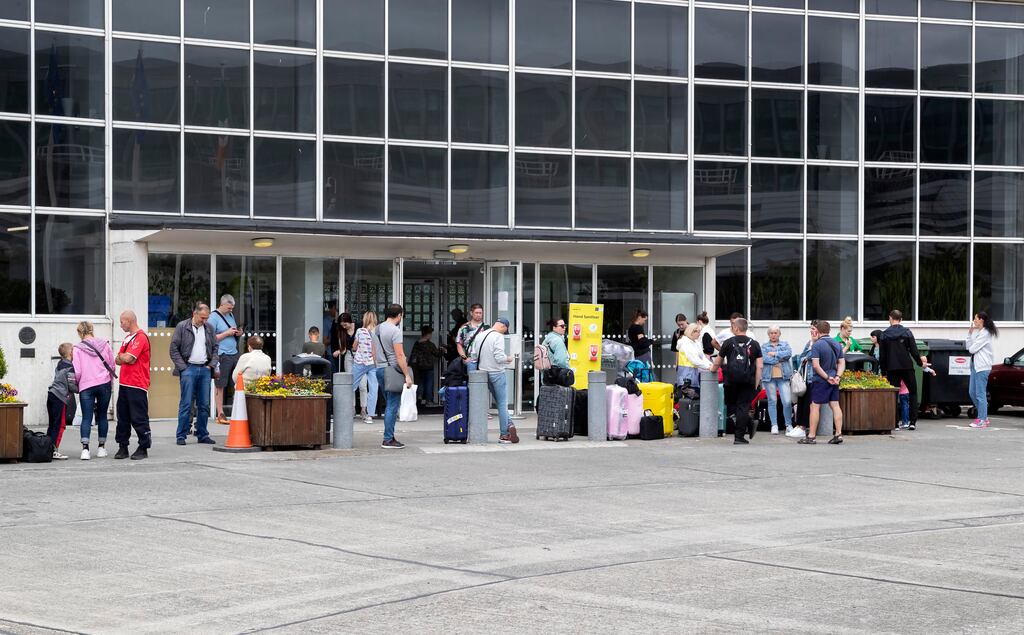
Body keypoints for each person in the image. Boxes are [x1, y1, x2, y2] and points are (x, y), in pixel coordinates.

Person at [169, 301, 219, 446]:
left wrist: (211, 365)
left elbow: (215, 348)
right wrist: (183, 368)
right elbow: (173, 349)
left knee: (204, 404)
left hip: (204, 369)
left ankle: (202, 434)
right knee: (186, 403)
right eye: (202, 317)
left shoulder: (209, 328)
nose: (205, 320)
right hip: (188, 368)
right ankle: (181, 435)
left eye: (206, 318)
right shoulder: (182, 326)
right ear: (194, 313)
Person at [711, 318, 762, 445]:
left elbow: (718, 360)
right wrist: (756, 383)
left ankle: (746, 425)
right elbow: (760, 366)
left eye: (733, 327)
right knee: (743, 407)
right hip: (747, 380)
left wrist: (712, 369)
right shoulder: (755, 344)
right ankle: (740, 435)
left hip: (731, 380)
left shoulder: (728, 343)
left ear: (737, 328)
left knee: (731, 406)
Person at [877, 310, 929, 431]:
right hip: (907, 366)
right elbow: (914, 351)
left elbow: (882, 356)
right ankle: (912, 422)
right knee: (913, 392)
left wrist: (884, 371)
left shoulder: (884, 335)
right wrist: (920, 363)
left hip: (892, 368)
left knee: (893, 395)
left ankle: (894, 423)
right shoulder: (907, 332)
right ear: (901, 319)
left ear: (890, 318)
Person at [72, 321, 116, 460]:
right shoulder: (105, 344)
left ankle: (85, 450)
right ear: (92, 330)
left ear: (80, 332)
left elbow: (77, 371)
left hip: (86, 385)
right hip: (104, 383)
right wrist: (110, 380)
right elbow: (112, 365)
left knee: (86, 417)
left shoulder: (77, 349)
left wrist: (79, 384)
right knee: (102, 416)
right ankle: (101, 448)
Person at [113, 310, 152, 460]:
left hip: (137, 384)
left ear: (129, 321)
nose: (121, 324)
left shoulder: (140, 338)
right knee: (123, 417)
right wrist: (124, 358)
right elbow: (118, 359)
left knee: (139, 417)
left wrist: (124, 358)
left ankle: (143, 446)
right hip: (124, 383)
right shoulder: (128, 338)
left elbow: (129, 358)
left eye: (122, 321)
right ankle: (123, 447)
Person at [473, 318, 518, 444]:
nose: (504, 333)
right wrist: (508, 358)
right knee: (502, 404)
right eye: (505, 330)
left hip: (483, 374)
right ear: (503, 327)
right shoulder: (498, 337)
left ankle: (510, 425)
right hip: (497, 373)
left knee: (499, 402)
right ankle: (505, 434)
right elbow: (499, 357)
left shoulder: (480, 335)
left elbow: (475, 355)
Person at [800, 320, 845, 445]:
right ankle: (838, 434)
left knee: (814, 406)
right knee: (835, 405)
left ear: (817, 331)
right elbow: (841, 362)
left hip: (820, 380)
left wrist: (826, 377)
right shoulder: (837, 344)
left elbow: (816, 365)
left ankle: (811, 436)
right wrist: (837, 376)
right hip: (834, 379)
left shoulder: (817, 345)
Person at [374, 304, 413, 449]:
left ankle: (389, 435)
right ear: (400, 315)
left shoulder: (376, 329)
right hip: (391, 371)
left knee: (389, 403)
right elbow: (400, 355)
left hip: (379, 369)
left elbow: (373, 352)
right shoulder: (395, 331)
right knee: (392, 405)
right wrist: (407, 375)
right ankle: (388, 439)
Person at [208, 294, 242, 425]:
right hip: (222, 355)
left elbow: (231, 331)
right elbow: (210, 339)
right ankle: (220, 413)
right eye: (228, 308)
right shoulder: (213, 317)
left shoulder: (230, 316)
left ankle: (237, 411)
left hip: (234, 353)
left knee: (236, 382)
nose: (231, 310)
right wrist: (227, 333)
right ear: (221, 304)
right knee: (220, 385)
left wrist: (238, 333)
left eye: (232, 308)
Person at [788, 320, 820, 439]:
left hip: (814, 378)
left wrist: (807, 356)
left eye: (814, 329)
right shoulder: (810, 342)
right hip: (805, 376)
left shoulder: (819, 343)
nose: (812, 331)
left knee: (808, 403)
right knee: (801, 400)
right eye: (811, 329)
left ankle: (803, 427)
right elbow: (802, 357)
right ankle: (798, 425)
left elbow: (811, 357)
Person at [761, 326, 794, 435]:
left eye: (775, 333)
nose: (773, 335)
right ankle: (774, 425)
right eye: (771, 333)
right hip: (769, 377)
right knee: (772, 401)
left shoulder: (785, 344)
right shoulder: (764, 346)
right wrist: (778, 359)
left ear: (779, 334)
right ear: (768, 334)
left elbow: (788, 354)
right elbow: (764, 358)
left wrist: (775, 354)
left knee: (787, 401)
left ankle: (788, 425)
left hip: (783, 377)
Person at [45, 342, 77, 460]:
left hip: (51, 394)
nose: (75, 352)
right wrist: (83, 389)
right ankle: (53, 450)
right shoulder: (69, 367)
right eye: (73, 350)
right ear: (70, 353)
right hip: (59, 397)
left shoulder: (60, 364)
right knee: (59, 425)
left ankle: (47, 449)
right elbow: (72, 386)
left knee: (52, 424)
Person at [967, 311, 998, 429]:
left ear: (981, 320)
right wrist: (969, 334)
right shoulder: (979, 333)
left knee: (980, 394)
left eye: (975, 318)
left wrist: (971, 344)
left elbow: (972, 349)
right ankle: (983, 416)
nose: (974, 321)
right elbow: (968, 347)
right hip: (975, 366)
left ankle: (982, 419)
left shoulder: (985, 333)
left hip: (982, 367)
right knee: (972, 392)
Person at [352, 311, 380, 424]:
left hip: (360, 362)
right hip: (372, 363)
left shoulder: (359, 331)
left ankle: (345, 412)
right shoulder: (376, 332)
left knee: (350, 387)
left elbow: (354, 347)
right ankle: (370, 415)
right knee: (373, 389)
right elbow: (375, 349)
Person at [410, 325, 442, 406]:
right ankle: (428, 400)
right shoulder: (430, 344)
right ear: (428, 334)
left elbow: (413, 355)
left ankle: (419, 397)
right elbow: (437, 354)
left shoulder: (417, 344)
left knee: (420, 382)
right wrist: (442, 350)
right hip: (428, 367)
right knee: (429, 383)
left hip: (418, 367)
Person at [676, 323, 712, 391]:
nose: (699, 334)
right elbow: (694, 360)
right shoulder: (685, 343)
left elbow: (702, 357)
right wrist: (709, 367)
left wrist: (711, 365)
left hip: (692, 376)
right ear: (691, 332)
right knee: (689, 399)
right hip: (685, 377)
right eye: (697, 332)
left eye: (699, 331)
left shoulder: (696, 342)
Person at [457, 303, 489, 371]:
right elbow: (459, 344)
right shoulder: (464, 328)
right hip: (470, 361)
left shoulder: (487, 327)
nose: (478, 315)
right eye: (476, 313)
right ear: (471, 313)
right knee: (471, 380)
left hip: (485, 361)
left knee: (484, 381)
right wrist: (464, 358)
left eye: (480, 313)